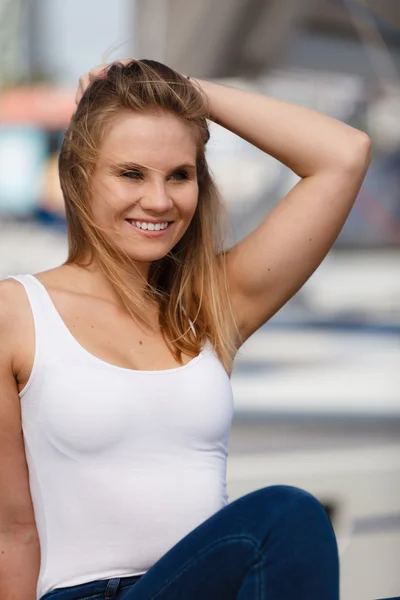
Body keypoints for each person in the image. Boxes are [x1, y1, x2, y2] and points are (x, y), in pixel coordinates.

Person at [0, 59, 371, 600]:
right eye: (131, 173)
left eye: (179, 174)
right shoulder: (16, 312)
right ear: (79, 177)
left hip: (215, 585)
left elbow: (343, 155)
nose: (159, 200)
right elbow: (11, 529)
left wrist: (185, 91)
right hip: (93, 593)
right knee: (287, 513)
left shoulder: (210, 307)